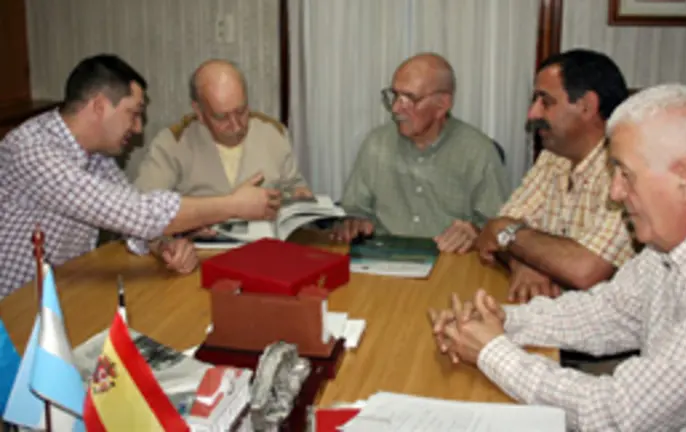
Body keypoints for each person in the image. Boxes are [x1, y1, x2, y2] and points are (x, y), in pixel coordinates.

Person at [429, 84, 686, 431]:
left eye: (625, 174)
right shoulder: (675, 244)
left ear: (683, 179)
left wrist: (492, 352)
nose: (615, 192)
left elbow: (616, 415)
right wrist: (503, 320)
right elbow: (608, 313)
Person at [0, 54, 281, 299]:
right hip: (12, 310)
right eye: (133, 114)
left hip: (60, 293)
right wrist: (233, 205)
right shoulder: (33, 149)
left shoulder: (96, 156)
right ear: (99, 106)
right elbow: (140, 213)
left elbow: (133, 220)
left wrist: (165, 246)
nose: (137, 128)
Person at [476, 49, 635, 303]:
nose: (533, 114)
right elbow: (493, 235)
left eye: (545, 101)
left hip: (603, 331)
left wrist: (509, 234)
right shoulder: (553, 157)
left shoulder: (626, 170)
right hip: (553, 313)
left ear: (587, 106)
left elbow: (585, 270)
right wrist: (525, 266)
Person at [332, 52, 510, 253]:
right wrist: (353, 222)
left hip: (451, 263)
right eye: (395, 95)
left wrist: (476, 233)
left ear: (442, 105)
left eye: (409, 98)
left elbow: (500, 231)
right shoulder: (376, 144)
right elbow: (354, 210)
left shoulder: (478, 151)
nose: (396, 108)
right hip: (383, 260)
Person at [134, 59, 311, 199]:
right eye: (221, 117)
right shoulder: (172, 144)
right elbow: (143, 207)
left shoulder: (273, 135)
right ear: (199, 112)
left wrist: (300, 195)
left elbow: (294, 187)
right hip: (200, 244)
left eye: (241, 111)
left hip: (264, 242)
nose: (236, 126)